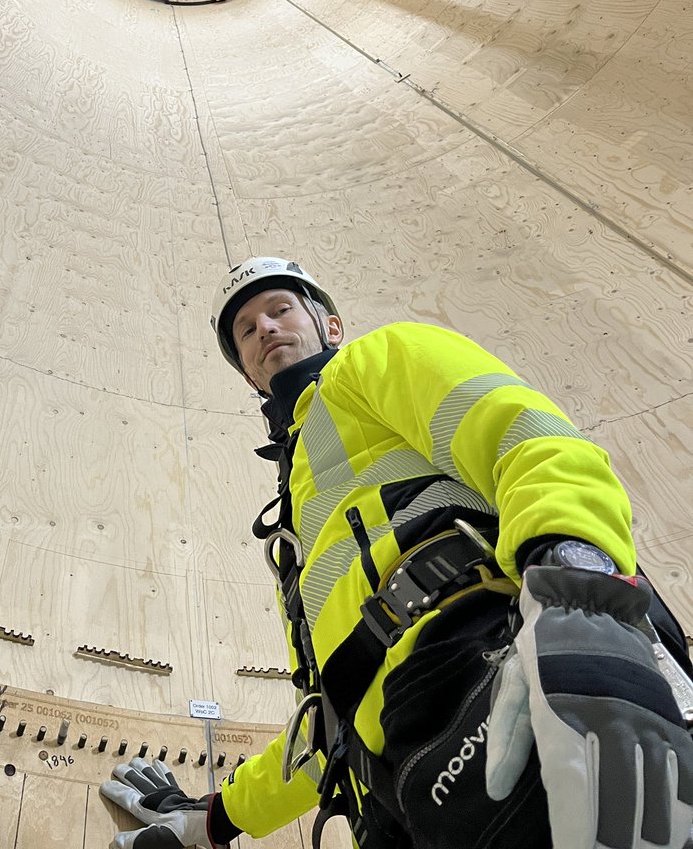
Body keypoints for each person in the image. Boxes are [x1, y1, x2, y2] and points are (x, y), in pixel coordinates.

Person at [101, 257, 693, 849]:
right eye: (247, 331)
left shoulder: (373, 362)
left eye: (280, 310)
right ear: (250, 376)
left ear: (330, 327)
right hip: (395, 784)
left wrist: (580, 595)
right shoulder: (295, 521)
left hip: (492, 663)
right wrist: (209, 821)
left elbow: (528, 438)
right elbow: (332, 714)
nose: (266, 331)